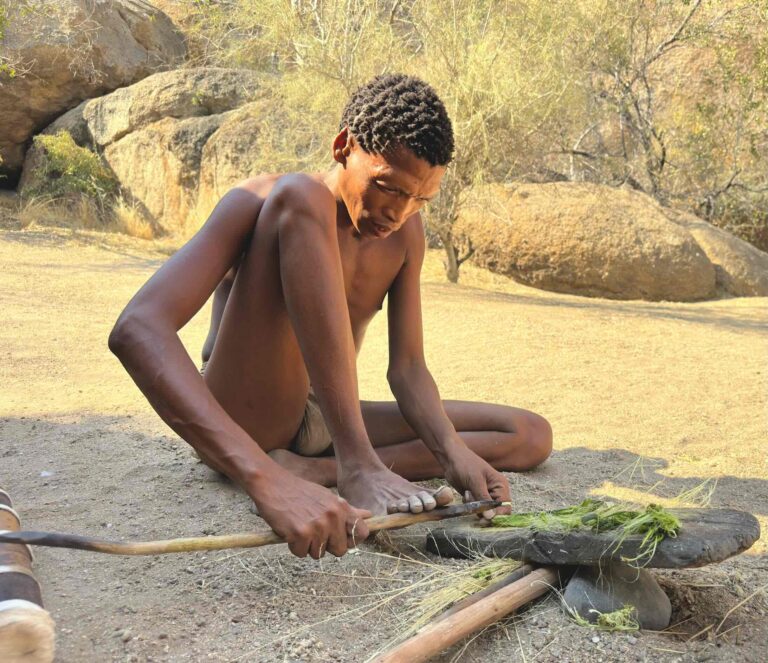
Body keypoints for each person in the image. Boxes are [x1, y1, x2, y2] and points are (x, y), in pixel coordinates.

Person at [108, 74, 552, 561]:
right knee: (301, 195)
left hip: (327, 417)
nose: (398, 213)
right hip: (253, 416)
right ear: (344, 145)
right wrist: (263, 477)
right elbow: (138, 328)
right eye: (388, 188)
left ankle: (322, 469)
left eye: (420, 199)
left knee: (529, 435)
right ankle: (354, 464)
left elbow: (406, 368)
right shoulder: (264, 201)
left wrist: (451, 452)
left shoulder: (405, 236)